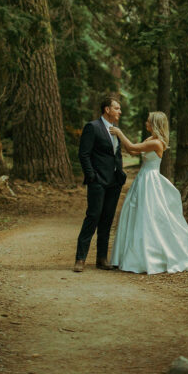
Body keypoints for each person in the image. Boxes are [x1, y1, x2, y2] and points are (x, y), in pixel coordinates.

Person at [109, 112, 188, 274]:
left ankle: (153, 255)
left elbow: (132, 147)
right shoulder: (149, 140)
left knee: (149, 216)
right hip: (143, 179)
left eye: (148, 120)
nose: (145, 122)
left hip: (150, 181)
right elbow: (133, 152)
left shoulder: (156, 143)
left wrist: (119, 133)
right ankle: (132, 255)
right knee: (136, 214)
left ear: (154, 123)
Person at [73, 96, 127, 273]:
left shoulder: (116, 130)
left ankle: (101, 259)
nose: (120, 111)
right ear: (107, 109)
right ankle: (80, 259)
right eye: (117, 108)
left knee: (107, 220)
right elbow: (84, 154)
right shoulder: (93, 127)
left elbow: (116, 154)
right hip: (98, 181)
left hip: (114, 182)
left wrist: (120, 174)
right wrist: (92, 176)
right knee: (93, 216)